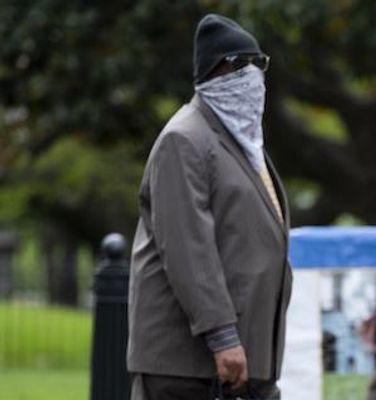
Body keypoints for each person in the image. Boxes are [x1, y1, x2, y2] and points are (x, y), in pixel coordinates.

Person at [128, 14, 291, 399]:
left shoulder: (242, 143)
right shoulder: (184, 140)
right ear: (212, 71)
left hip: (241, 368)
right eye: (239, 64)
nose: (252, 75)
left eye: (259, 63)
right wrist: (222, 337)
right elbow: (188, 249)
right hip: (191, 368)